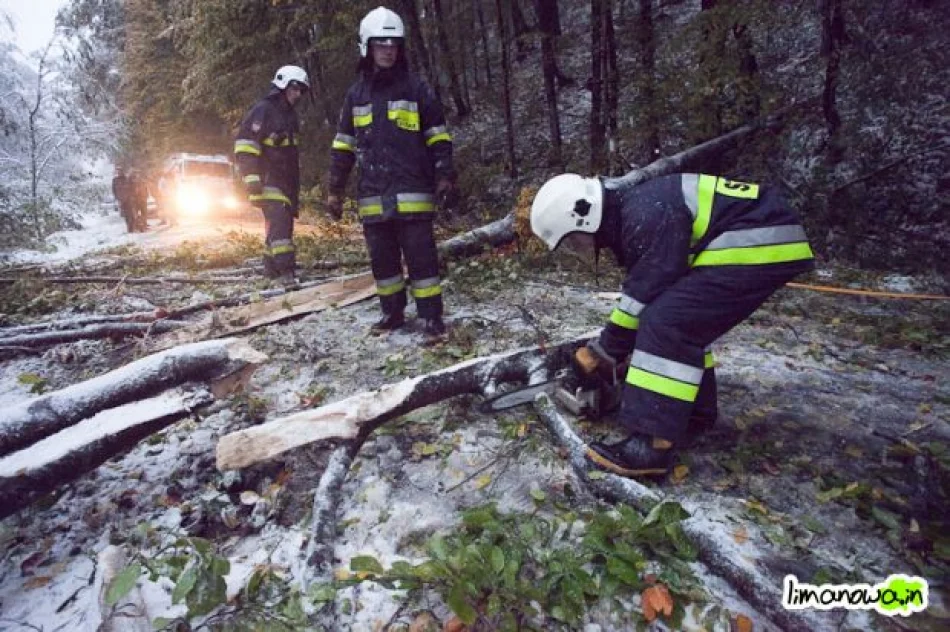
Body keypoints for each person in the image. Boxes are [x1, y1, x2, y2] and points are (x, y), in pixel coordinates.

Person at [530, 172, 815, 478]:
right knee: (683, 318)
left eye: (574, 239)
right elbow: (649, 287)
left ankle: (651, 446)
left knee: (665, 321)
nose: (579, 247)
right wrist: (614, 349)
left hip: (755, 237)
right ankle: (694, 411)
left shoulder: (644, 213)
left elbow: (643, 292)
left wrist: (602, 352)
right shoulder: (639, 207)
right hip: (762, 232)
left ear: (584, 217)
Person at [327, 6, 458, 337]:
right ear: (367, 47)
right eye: (380, 44)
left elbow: (438, 136)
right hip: (373, 196)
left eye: (393, 44)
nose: (387, 50)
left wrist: (444, 173)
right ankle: (393, 313)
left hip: (413, 195)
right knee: (383, 264)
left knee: (422, 261)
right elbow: (343, 146)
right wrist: (335, 189)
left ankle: (431, 316)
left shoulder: (416, 89)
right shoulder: (355, 95)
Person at [234, 65, 309, 283]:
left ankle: (270, 270)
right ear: (283, 85)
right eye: (295, 88)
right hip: (269, 180)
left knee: (278, 226)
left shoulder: (289, 116)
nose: (298, 94)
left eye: (301, 90)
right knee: (280, 227)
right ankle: (286, 272)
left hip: (286, 181)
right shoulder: (264, 110)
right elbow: (245, 147)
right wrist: (252, 179)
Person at [111, 166, 134, 233]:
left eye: (120, 171)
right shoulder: (115, 180)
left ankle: (132, 227)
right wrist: (117, 198)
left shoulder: (127, 179)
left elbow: (132, 188)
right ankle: (129, 228)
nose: (119, 172)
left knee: (131, 214)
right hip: (121, 200)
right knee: (125, 215)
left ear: (122, 171)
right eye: (118, 171)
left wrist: (131, 196)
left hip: (129, 199)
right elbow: (113, 190)